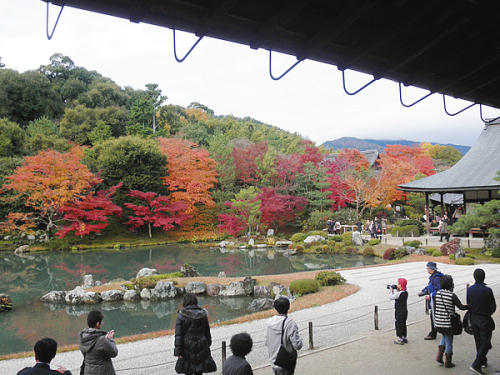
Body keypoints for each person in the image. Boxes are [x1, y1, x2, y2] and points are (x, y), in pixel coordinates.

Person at [174, 293, 217, 375]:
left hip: (187, 346)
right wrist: (208, 344)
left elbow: (179, 335)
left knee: (188, 369)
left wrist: (178, 352)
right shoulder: (202, 314)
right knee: (199, 369)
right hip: (201, 344)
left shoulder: (182, 316)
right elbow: (207, 331)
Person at [433, 275, 468, 368]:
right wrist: (471, 305)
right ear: (451, 284)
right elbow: (461, 307)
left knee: (444, 337)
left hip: (438, 322)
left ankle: (439, 356)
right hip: (448, 323)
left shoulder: (437, 294)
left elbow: (436, 308)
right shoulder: (452, 295)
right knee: (449, 340)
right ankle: (448, 362)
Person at [467, 268, 496, 375]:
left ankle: (482, 360)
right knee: (485, 342)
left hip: (474, 318)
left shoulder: (469, 290)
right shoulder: (487, 290)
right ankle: (477, 364)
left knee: (478, 341)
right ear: (484, 277)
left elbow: (468, 303)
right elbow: (493, 307)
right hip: (484, 318)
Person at [265, 297, 303, 375]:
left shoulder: (270, 322)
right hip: (285, 362)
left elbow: (266, 342)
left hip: (273, 360)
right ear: (288, 307)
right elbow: (297, 345)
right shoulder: (290, 323)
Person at [79, 310, 118, 375]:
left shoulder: (82, 338)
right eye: (101, 321)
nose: (102, 323)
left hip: (88, 372)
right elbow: (114, 353)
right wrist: (111, 339)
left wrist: (105, 340)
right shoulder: (101, 341)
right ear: (98, 324)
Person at [418, 262, 444, 340]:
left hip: (435, 301)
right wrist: (423, 291)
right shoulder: (434, 277)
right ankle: (435, 331)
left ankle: (433, 333)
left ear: (432, 269)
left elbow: (438, 290)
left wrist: (431, 296)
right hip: (434, 300)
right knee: (434, 316)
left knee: (434, 316)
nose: (427, 270)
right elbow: (430, 286)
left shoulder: (436, 278)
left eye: (428, 268)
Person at [389, 278, 408, 345]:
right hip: (404, 310)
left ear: (400, 285)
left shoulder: (399, 293)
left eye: (398, 284)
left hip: (399, 311)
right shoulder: (405, 292)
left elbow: (391, 297)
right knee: (403, 324)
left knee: (399, 324)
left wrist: (391, 290)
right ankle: (404, 337)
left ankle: (400, 339)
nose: (397, 285)